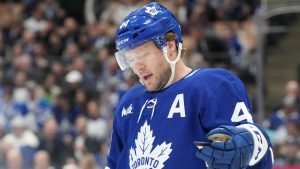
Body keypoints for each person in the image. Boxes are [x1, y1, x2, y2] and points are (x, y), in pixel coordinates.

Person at [105, 2, 273, 169]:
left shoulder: (211, 86)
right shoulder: (129, 103)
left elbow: (256, 151)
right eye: (131, 60)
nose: (137, 67)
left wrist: (252, 143)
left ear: (169, 47)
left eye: (143, 56)